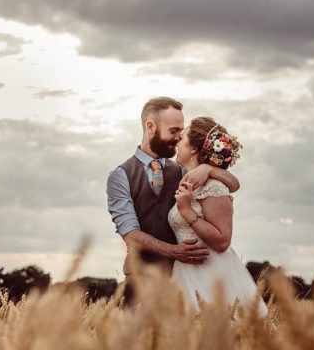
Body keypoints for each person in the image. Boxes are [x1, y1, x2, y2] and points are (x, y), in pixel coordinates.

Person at [106, 97, 240, 305]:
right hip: (141, 278)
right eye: (174, 130)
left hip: (184, 276)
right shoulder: (120, 176)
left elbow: (232, 183)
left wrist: (209, 168)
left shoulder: (184, 170)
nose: (179, 138)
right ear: (150, 127)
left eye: (181, 131)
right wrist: (173, 251)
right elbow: (130, 233)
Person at [170, 116, 267, 316]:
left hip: (210, 275)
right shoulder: (184, 179)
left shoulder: (214, 186)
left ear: (194, 148)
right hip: (184, 272)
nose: (177, 142)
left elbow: (222, 241)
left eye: (182, 138)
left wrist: (187, 211)